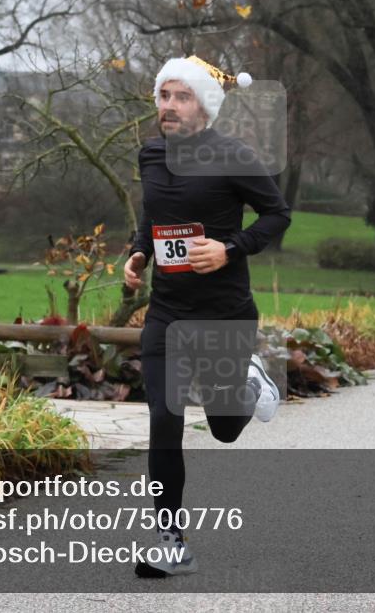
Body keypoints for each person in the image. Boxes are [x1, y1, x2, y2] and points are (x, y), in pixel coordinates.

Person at [124, 55, 291, 577]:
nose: (168, 106)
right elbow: (154, 213)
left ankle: (249, 381)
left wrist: (229, 249)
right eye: (163, 96)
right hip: (168, 314)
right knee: (164, 420)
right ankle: (172, 543)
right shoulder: (150, 155)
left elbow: (277, 214)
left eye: (181, 96)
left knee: (222, 429)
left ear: (206, 106)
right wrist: (139, 253)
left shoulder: (234, 156)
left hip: (224, 314)